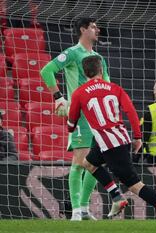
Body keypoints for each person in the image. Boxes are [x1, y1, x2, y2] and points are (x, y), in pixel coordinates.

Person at [67, 55, 156, 230]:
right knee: (88, 164)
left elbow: (71, 125)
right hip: (118, 139)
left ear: (85, 73)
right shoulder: (115, 88)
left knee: (135, 185)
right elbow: (130, 111)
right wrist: (137, 137)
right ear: (101, 70)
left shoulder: (79, 92)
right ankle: (116, 197)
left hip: (110, 145)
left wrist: (66, 116)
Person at [40, 17, 120, 221]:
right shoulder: (72, 53)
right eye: (93, 27)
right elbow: (47, 70)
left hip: (98, 118)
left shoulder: (98, 58)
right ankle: (76, 210)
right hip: (81, 115)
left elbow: (108, 85)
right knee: (79, 161)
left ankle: (84, 208)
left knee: (96, 163)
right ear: (83, 30)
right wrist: (59, 98)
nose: (97, 30)